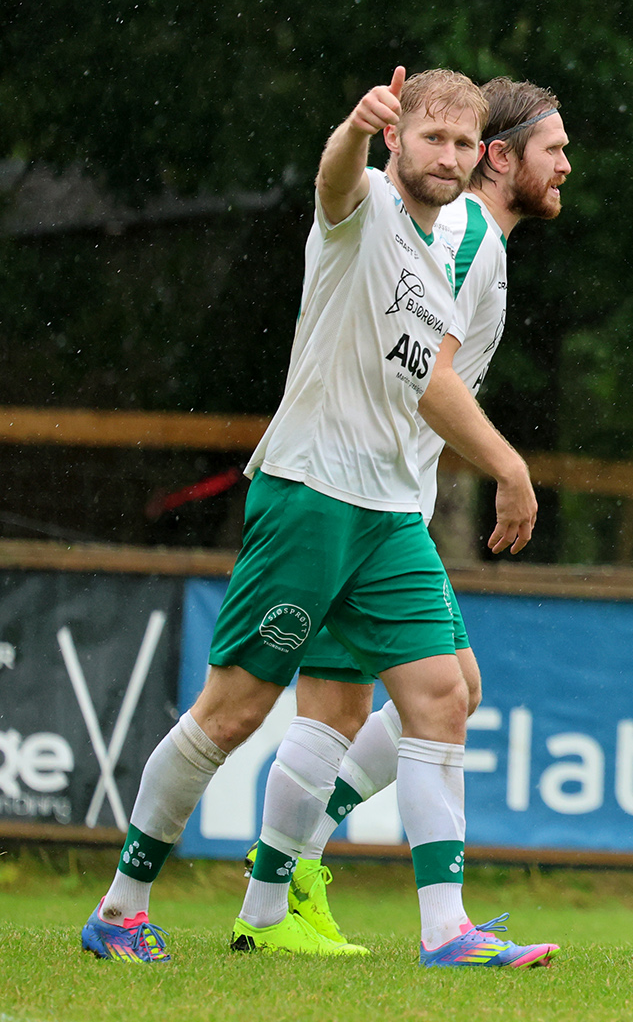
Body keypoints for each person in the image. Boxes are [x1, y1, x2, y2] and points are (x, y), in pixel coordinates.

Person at [79, 67, 556, 969]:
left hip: (386, 515)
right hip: (310, 496)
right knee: (230, 714)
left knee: (444, 696)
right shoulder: (365, 207)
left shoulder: (433, 258)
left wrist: (503, 464)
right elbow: (333, 178)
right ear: (397, 141)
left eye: (461, 145)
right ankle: (122, 905)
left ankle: (445, 931)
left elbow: (432, 387)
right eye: (431, 139)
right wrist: (350, 125)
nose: (447, 158)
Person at [239, 79, 571, 948]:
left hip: (385, 500)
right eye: (553, 149)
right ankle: (294, 877)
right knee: (415, 698)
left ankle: (279, 888)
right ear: (503, 156)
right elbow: (424, 371)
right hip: (364, 497)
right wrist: (506, 466)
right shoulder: (464, 237)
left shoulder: (474, 238)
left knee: (382, 701)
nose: (566, 165)